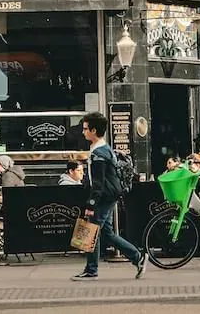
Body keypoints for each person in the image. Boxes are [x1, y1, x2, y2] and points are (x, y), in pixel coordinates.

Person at [71, 112, 146, 282]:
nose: (83, 132)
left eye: (85, 129)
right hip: (110, 195)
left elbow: (98, 184)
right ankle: (137, 257)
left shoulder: (99, 153)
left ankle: (91, 270)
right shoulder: (103, 149)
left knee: (91, 232)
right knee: (107, 233)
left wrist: (91, 205)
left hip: (103, 197)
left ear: (94, 130)